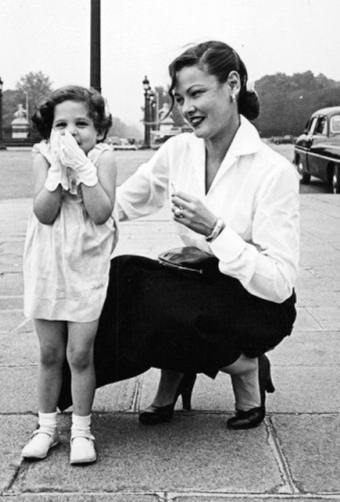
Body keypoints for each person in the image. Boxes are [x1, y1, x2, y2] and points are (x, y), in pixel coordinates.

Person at [57, 41, 299, 431]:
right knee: (120, 277)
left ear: (232, 84)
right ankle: (71, 387)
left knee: (160, 305)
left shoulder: (274, 171)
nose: (187, 108)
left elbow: (279, 284)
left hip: (255, 303)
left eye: (197, 93)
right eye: (179, 98)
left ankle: (245, 365)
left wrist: (216, 231)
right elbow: (119, 204)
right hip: (197, 284)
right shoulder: (179, 151)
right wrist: (73, 208)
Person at [22, 85, 117, 464]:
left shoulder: (104, 157)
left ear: (98, 129)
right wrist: (58, 171)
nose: (71, 131)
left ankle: (81, 429)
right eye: (61, 124)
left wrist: (82, 168)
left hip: (85, 262)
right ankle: (46, 427)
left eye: (81, 123)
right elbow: (44, 213)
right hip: (47, 262)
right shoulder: (42, 156)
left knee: (79, 353)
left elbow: (100, 212)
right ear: (49, 131)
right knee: (49, 351)